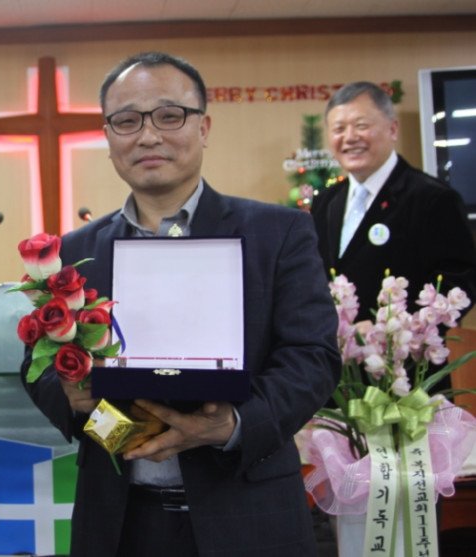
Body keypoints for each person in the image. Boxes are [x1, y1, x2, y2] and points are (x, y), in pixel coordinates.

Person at [21, 52, 340, 556]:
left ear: (204, 127)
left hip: (249, 515)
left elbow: (312, 357)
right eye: (127, 120)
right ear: (108, 137)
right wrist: (73, 397)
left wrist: (233, 425)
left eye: (169, 116)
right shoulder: (74, 253)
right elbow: (38, 365)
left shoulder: (278, 234)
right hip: (118, 522)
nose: (148, 136)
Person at [310, 81, 476, 319]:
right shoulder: (326, 201)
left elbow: (460, 280)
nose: (350, 137)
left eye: (361, 125)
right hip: (332, 342)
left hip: (401, 341)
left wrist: (394, 327)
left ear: (393, 129)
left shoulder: (433, 198)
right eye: (338, 129)